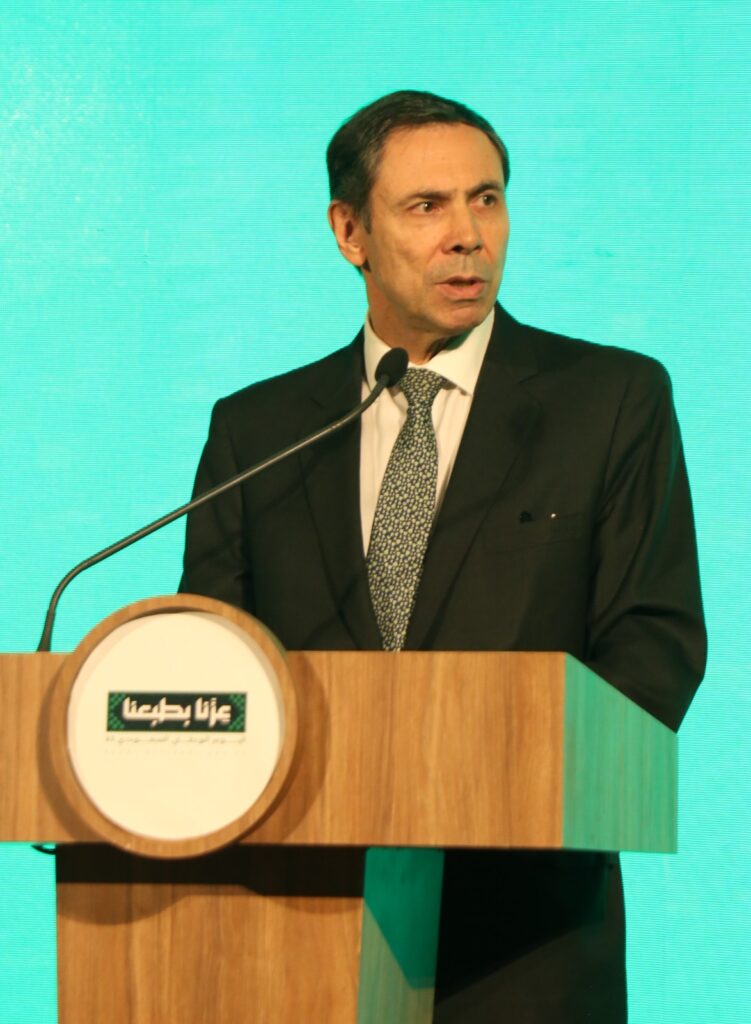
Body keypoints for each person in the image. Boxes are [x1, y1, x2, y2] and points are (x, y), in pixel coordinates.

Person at [180, 90, 706, 1022]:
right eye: (426, 206)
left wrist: (483, 781)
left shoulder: (608, 399)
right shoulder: (259, 430)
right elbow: (213, 661)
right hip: (300, 924)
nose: (467, 235)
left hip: (529, 933)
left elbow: (652, 644)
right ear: (349, 232)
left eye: (486, 199)